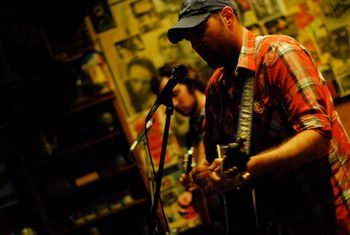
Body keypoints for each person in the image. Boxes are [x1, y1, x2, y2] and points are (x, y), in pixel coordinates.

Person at [166, 0, 350, 235]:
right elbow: (214, 157)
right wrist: (205, 173)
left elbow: (318, 138)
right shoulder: (215, 89)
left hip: (331, 212)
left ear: (227, 17)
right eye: (190, 39)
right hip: (282, 221)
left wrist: (249, 167)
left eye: (200, 31)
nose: (196, 45)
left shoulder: (279, 53)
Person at [151, 62, 215, 231]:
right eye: (166, 100)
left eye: (175, 93)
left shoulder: (218, 112)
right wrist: (191, 190)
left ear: (190, 82)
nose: (174, 104)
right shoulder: (191, 134)